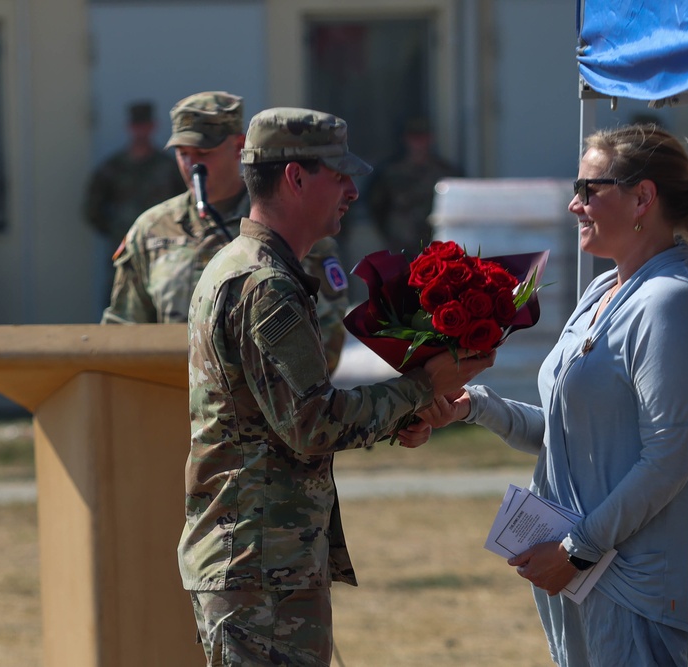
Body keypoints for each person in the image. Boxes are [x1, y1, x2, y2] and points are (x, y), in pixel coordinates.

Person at [178, 107, 495, 666]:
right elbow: (312, 424)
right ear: (295, 177)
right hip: (259, 566)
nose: (352, 189)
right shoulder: (265, 285)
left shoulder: (252, 267)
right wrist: (423, 386)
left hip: (264, 560)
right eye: (339, 174)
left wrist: (408, 414)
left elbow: (279, 417)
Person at [419, 124, 688, 666]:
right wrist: (476, 406)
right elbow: (570, 431)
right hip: (587, 579)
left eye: (589, 189)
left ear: (643, 197)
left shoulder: (668, 300)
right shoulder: (601, 289)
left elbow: (669, 461)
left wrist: (575, 550)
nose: (574, 205)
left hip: (640, 590)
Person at [99, 91, 350, 372]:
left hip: (263, 406)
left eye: (203, 153)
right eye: (183, 153)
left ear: (238, 146)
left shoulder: (285, 222)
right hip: (165, 402)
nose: (192, 165)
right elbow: (124, 332)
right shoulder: (151, 229)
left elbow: (327, 329)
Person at [83, 100, 185, 271]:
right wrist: (115, 230)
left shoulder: (167, 167)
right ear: (129, 127)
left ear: (153, 126)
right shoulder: (113, 167)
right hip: (124, 248)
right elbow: (92, 208)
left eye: (145, 125)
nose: (141, 131)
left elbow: (184, 203)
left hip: (161, 250)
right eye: (137, 126)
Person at [366, 116, 460, 254]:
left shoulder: (446, 173)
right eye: (414, 137)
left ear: (430, 138)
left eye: (423, 136)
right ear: (406, 139)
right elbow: (377, 206)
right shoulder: (389, 172)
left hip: (436, 246)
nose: (419, 142)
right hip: (400, 245)